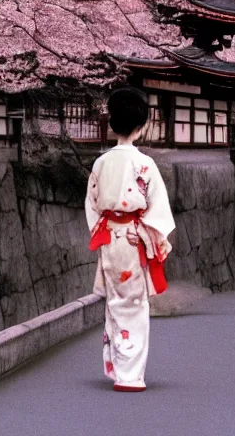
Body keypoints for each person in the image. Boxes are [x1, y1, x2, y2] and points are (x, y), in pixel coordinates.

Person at [85, 87, 176, 391]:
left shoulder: (100, 164)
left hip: (110, 239)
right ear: (142, 126)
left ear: (112, 124)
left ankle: (117, 366)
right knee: (135, 305)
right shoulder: (145, 165)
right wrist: (152, 238)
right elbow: (157, 208)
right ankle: (130, 375)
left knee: (115, 301)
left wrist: (106, 230)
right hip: (134, 240)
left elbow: (93, 205)